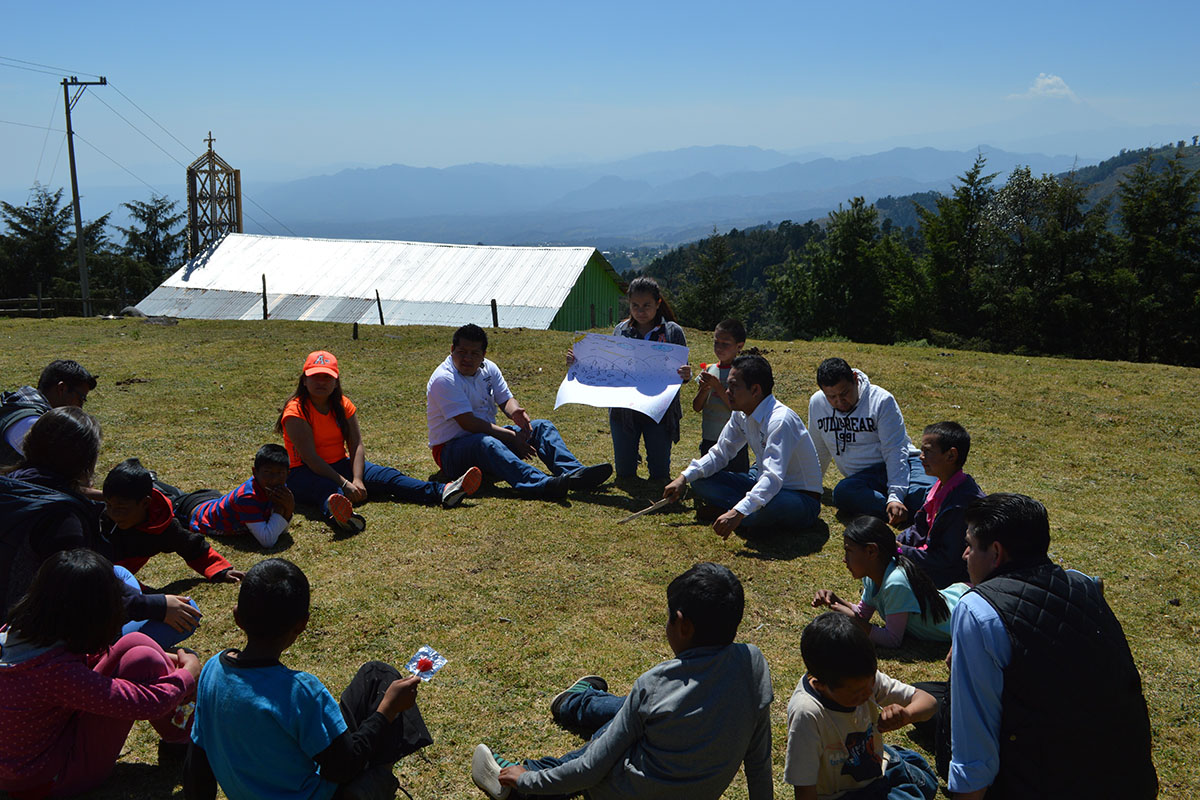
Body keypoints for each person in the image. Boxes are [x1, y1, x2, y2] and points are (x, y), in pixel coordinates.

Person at [470, 562, 773, 800]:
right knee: (638, 713)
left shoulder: (655, 684)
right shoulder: (753, 663)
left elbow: (590, 769)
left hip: (621, 793)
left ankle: (519, 784)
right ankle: (576, 701)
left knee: (615, 732)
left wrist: (528, 779)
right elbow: (758, 762)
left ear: (683, 625)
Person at [948, 493, 1157, 799]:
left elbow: (974, 743)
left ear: (995, 553)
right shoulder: (1084, 585)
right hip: (1131, 781)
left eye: (970, 545)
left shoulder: (979, 611)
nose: (965, 555)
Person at [183, 557, 433, 800]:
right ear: (302, 625)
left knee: (376, 675)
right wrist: (387, 710)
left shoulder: (212, 671)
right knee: (384, 688)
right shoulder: (300, 691)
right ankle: (377, 783)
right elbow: (343, 767)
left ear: (237, 617)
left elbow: (198, 757)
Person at [0, 549, 199, 798]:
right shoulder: (54, 673)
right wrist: (187, 676)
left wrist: (167, 658)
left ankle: (179, 736)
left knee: (136, 643)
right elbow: (145, 704)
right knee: (142, 658)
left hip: (24, 765)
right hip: (46, 780)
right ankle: (181, 738)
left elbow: (82, 661)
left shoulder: (15, 633)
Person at [0, 408, 197, 650]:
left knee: (120, 573)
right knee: (188, 612)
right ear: (84, 460)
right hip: (37, 638)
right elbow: (87, 594)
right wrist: (157, 606)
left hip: (15, 612)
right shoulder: (61, 519)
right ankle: (113, 659)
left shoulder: (13, 486)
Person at [279, 350, 481, 532]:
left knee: (389, 476)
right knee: (327, 491)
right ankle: (343, 517)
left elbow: (356, 443)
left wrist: (357, 479)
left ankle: (443, 491)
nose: (321, 382)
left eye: (327, 377)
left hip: (341, 464)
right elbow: (311, 458)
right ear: (304, 381)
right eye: (315, 376)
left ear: (336, 381)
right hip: (303, 472)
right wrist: (345, 483)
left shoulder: (342, 404)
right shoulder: (295, 411)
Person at [428, 324, 611, 500]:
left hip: (485, 440)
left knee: (541, 427)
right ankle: (541, 484)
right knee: (487, 443)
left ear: (483, 355)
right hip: (450, 452)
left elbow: (506, 399)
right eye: (462, 352)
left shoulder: (489, 368)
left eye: (474, 353)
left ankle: (574, 473)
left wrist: (515, 412)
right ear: (452, 349)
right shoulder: (444, 379)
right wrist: (511, 436)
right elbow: (469, 423)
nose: (467, 358)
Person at [663, 354, 822, 539]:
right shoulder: (741, 413)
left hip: (799, 497)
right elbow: (720, 453)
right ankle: (747, 516)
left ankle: (740, 514)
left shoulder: (780, 421)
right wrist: (683, 477)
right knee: (699, 480)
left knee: (771, 505)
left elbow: (773, 477)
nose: (727, 391)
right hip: (761, 484)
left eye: (733, 386)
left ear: (755, 390)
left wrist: (738, 511)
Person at [784, 612, 938, 800]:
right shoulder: (808, 714)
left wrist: (907, 714)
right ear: (821, 684)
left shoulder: (863, 679)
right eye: (856, 693)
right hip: (841, 794)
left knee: (925, 781)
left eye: (871, 682)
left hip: (878, 774)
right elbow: (804, 788)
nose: (867, 695)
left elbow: (929, 703)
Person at [808, 358, 933, 526]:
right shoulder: (817, 403)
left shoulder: (881, 401)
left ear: (854, 378)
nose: (839, 402)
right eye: (831, 397)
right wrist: (809, 487)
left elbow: (895, 450)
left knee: (928, 492)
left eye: (844, 393)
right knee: (843, 493)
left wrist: (896, 494)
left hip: (903, 463)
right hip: (865, 478)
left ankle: (909, 508)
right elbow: (819, 449)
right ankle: (907, 513)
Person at [812, 515, 968, 647]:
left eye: (849, 551)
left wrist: (854, 622)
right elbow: (862, 614)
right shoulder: (873, 575)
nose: (844, 560)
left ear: (871, 551)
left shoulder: (896, 582)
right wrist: (835, 600)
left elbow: (893, 639)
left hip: (964, 616)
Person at [101, 458, 243, 583]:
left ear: (145, 503)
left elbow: (192, 547)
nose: (113, 513)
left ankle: (155, 483)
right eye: (109, 505)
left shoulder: (161, 525)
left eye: (121, 508)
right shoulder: (101, 522)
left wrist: (221, 570)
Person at [608, 277, 692, 480]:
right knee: (625, 475)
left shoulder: (672, 332)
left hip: (660, 409)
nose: (640, 311)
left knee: (660, 474)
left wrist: (686, 375)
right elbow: (608, 365)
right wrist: (579, 361)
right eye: (635, 305)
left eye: (646, 305)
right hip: (625, 410)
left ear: (658, 304)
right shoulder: (620, 331)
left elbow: (682, 369)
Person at [896, 422, 984, 588]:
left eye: (927, 451)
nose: (921, 456)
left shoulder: (962, 505)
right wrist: (895, 542)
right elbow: (920, 528)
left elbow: (947, 561)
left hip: (951, 577)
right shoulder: (941, 487)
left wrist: (902, 551)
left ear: (951, 455)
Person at [188, 444, 296, 548]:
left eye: (280, 473)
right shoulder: (247, 497)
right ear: (255, 472)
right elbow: (267, 541)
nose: (274, 479)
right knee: (172, 497)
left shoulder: (279, 487)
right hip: (195, 510)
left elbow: (281, 532)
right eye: (267, 472)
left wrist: (287, 508)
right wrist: (287, 507)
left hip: (211, 499)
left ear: (288, 474)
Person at [0, 359, 97, 467]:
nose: (80, 408)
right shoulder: (31, 424)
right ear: (62, 389)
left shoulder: (20, 404)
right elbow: (58, 469)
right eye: (81, 398)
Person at [691, 318, 750, 474]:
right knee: (710, 477)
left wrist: (718, 387)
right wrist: (704, 390)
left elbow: (737, 408)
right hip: (709, 437)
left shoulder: (742, 373)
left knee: (737, 480)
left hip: (735, 440)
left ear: (739, 346)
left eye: (725, 344)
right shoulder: (709, 370)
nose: (719, 348)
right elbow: (697, 407)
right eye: (716, 343)